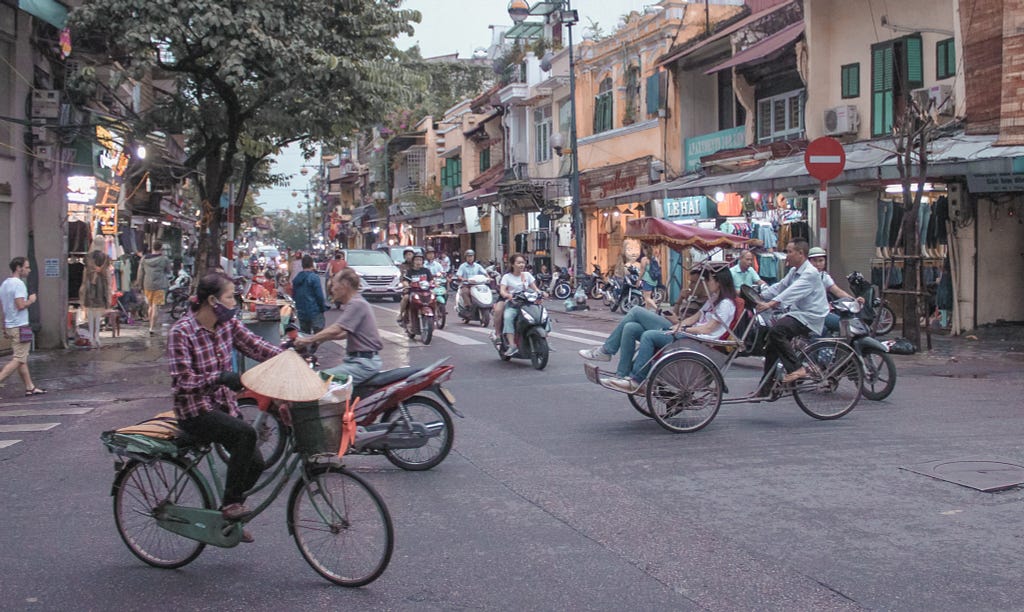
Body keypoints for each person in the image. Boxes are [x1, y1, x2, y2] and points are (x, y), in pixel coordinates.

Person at [167, 272, 282, 540]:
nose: (234, 303)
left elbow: (257, 346)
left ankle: (226, 517)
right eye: (230, 297)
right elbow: (182, 383)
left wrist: (290, 354)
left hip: (223, 407)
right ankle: (231, 504)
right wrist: (217, 378)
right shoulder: (181, 332)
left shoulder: (227, 325)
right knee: (245, 433)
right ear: (211, 300)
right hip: (194, 411)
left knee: (255, 464)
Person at [602, 267, 737, 393]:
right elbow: (694, 318)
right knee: (631, 327)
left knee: (646, 329)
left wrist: (684, 329)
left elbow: (708, 329)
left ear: (718, 282)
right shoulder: (713, 299)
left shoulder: (725, 304)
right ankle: (622, 374)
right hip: (687, 333)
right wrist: (679, 325)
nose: (707, 283)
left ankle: (637, 379)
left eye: (709, 280)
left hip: (698, 340)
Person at [755, 239, 829, 386]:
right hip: (798, 313)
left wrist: (770, 304)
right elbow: (779, 287)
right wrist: (759, 297)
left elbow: (790, 293)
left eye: (789, 252)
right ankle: (766, 386)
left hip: (810, 316)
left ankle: (798, 369)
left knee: (778, 331)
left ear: (800, 253)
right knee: (771, 343)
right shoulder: (794, 271)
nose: (787, 255)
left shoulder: (810, 273)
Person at [295, 268, 383, 384]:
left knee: (319, 380)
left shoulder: (357, 304)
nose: (331, 289)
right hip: (358, 360)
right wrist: (320, 339)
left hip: (363, 363)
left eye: (334, 284)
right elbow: (344, 333)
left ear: (345, 285)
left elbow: (337, 329)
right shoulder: (356, 302)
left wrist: (307, 340)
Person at [0, 257, 45, 395]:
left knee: (22, 358)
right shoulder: (19, 284)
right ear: (18, 268)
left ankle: (29, 386)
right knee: (19, 358)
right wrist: (30, 301)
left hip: (11, 324)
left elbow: (3, 307)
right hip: (20, 325)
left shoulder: (5, 284)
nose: (29, 270)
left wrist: (3, 324)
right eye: (26, 267)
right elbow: (20, 305)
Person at [807, 246, 862, 334]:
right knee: (838, 327)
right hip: (810, 315)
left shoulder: (824, 277)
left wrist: (854, 300)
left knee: (847, 325)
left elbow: (838, 291)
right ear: (808, 262)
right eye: (814, 261)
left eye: (820, 260)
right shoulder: (804, 277)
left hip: (822, 313)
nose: (818, 264)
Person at [495, 253, 542, 356]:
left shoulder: (527, 275)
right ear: (512, 264)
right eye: (519, 263)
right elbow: (502, 290)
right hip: (513, 304)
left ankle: (543, 338)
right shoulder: (507, 277)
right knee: (508, 317)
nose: (521, 265)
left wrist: (541, 293)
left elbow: (535, 288)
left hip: (527, 304)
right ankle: (512, 345)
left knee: (541, 315)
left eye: (523, 263)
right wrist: (508, 295)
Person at [80, 236, 112, 349]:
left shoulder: (88, 257)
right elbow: (107, 276)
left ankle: (91, 337)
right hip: (101, 286)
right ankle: (97, 336)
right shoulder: (106, 258)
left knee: (90, 313)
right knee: (98, 315)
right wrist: (109, 292)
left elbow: (84, 274)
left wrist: (82, 288)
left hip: (89, 286)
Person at [136, 243, 172, 336]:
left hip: (147, 284)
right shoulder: (164, 259)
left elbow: (140, 273)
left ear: (153, 248)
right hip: (160, 285)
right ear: (161, 248)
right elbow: (168, 270)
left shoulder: (144, 259)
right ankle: (152, 327)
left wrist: (139, 285)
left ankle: (150, 326)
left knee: (150, 306)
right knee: (156, 306)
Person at [292, 255, 328, 334]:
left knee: (304, 333)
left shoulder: (297, 278)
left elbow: (294, 295)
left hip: (301, 310)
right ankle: (314, 345)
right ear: (312, 264)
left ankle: (306, 345)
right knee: (318, 332)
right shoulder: (314, 277)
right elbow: (319, 295)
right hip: (314, 309)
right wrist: (322, 307)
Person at [396, 247, 416, 324]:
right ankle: (401, 314)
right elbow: (402, 278)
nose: (408, 256)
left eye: (410, 254)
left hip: (419, 288)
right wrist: (405, 285)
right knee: (406, 297)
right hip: (408, 288)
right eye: (407, 255)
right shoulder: (402, 266)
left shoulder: (418, 265)